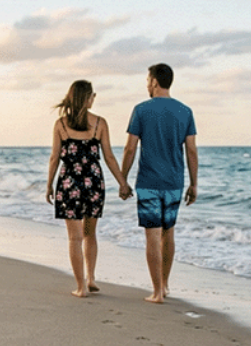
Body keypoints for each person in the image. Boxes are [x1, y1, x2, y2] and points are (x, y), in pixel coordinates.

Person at [121, 63, 198, 304]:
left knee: (152, 236)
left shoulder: (141, 110)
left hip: (149, 182)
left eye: (147, 80)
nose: (146, 84)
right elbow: (192, 151)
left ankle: (156, 292)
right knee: (169, 233)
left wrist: (122, 179)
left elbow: (130, 148)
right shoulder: (185, 111)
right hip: (174, 181)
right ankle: (164, 284)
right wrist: (194, 184)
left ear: (154, 82)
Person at [45, 80, 130, 298]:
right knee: (90, 234)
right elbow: (109, 157)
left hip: (69, 182)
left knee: (74, 238)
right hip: (93, 182)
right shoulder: (100, 123)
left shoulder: (60, 125)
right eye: (92, 95)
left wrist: (49, 184)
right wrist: (122, 182)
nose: (94, 99)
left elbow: (55, 157)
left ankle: (81, 287)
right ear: (86, 98)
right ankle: (91, 278)